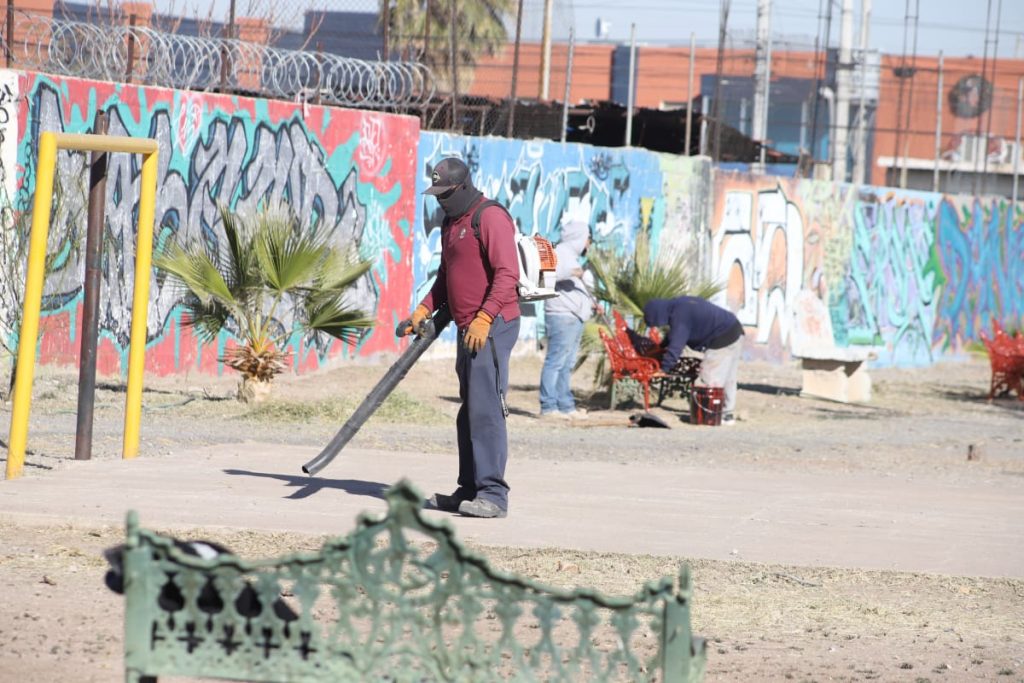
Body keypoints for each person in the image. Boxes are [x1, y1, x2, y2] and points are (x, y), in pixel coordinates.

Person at [401, 157, 520, 519]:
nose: (440, 201)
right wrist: (423, 308)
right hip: (467, 327)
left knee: (486, 411)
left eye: (445, 193)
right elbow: (445, 276)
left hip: (492, 325)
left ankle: (493, 495)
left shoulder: (490, 217)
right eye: (436, 194)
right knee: (469, 412)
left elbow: (507, 274)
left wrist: (485, 317)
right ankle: (469, 489)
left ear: (463, 187)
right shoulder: (451, 224)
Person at [642, 297, 744, 425]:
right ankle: (726, 415)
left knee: (709, 377)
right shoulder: (678, 305)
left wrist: (663, 369)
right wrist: (662, 346)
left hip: (723, 336)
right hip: (734, 329)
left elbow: (676, 345)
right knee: (728, 377)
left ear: (658, 314)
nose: (659, 325)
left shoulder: (680, 315)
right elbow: (674, 335)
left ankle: (709, 416)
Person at [539, 220, 594, 420]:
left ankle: (565, 405)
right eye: (588, 239)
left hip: (574, 316)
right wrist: (572, 272)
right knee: (556, 361)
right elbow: (545, 276)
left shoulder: (572, 256)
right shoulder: (560, 252)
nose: (589, 244)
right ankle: (548, 405)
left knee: (567, 363)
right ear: (579, 237)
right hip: (562, 315)